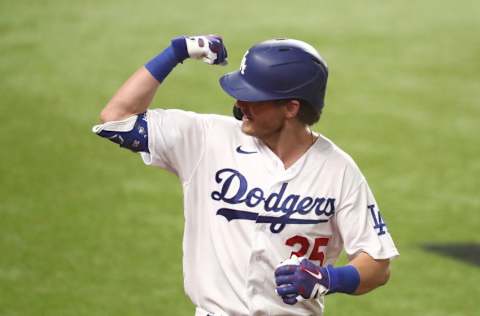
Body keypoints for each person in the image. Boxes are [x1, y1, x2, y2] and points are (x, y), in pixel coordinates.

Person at [92, 35, 399, 316]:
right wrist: (176, 52)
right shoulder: (207, 138)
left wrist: (330, 278)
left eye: (253, 96)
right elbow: (116, 119)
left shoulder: (338, 170)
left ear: (291, 107)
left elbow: (377, 264)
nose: (239, 104)